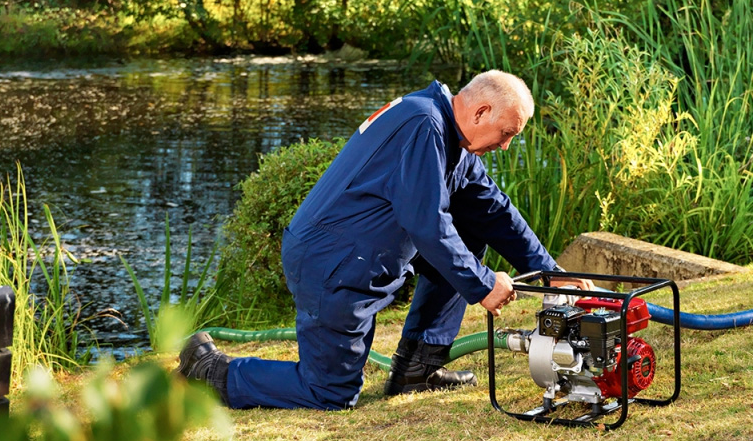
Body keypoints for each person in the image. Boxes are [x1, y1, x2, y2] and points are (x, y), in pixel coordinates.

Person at [178, 70, 593, 409]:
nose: (505, 145)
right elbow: (427, 223)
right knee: (330, 393)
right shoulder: (423, 126)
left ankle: (417, 369)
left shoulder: (449, 132)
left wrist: (550, 273)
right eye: (506, 133)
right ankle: (209, 370)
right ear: (482, 111)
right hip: (332, 264)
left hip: (359, 253)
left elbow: (491, 208)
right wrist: (483, 285)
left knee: (470, 229)